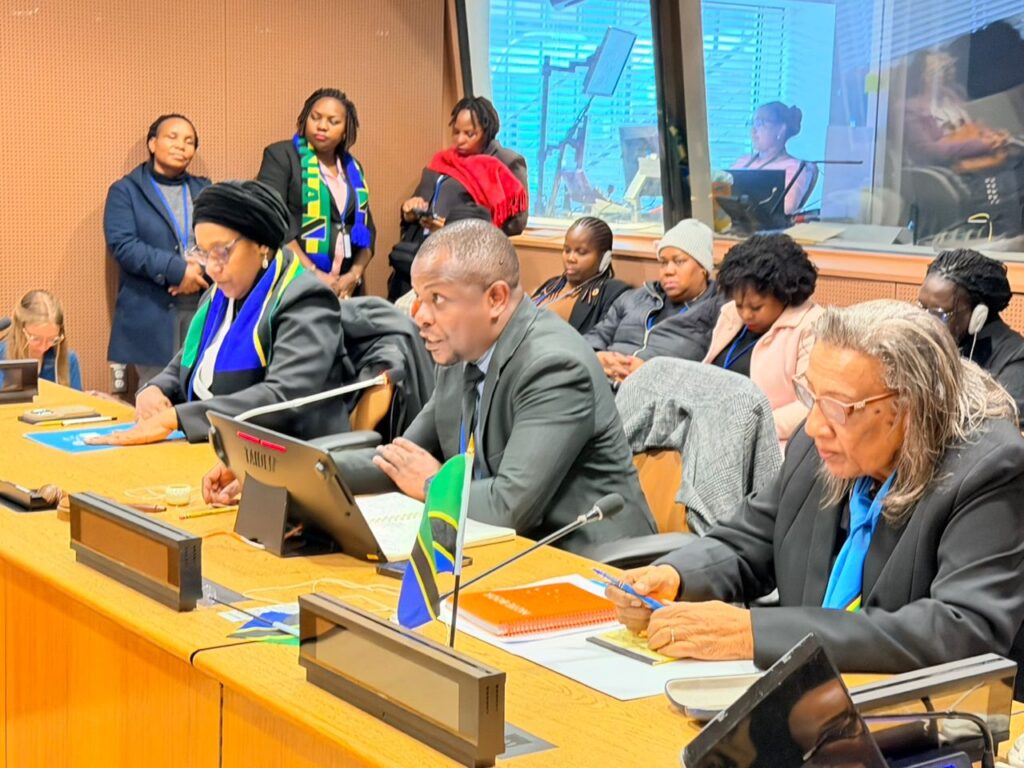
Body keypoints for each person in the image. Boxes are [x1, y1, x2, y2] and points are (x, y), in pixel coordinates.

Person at [606, 300, 1024, 681]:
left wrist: (754, 634)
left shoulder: (986, 467)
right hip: (805, 696)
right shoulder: (817, 447)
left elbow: (962, 629)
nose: (813, 426)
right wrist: (675, 575)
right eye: (811, 396)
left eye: (838, 407)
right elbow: (750, 540)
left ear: (908, 408)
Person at [206, 220, 655, 553]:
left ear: (496, 298)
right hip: (496, 550)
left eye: (436, 299)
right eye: (418, 298)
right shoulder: (460, 351)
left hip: (589, 567)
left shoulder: (553, 366)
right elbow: (396, 460)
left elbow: (508, 507)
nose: (419, 316)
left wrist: (431, 483)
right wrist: (273, 475)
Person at [88, 181, 347, 446]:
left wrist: (176, 418)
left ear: (262, 244)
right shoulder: (218, 296)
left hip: (285, 454)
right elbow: (188, 359)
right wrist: (154, 388)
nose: (211, 268)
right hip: (221, 446)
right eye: (203, 253)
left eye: (222, 252)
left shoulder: (304, 299)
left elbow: (284, 397)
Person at [104, 114, 211, 386]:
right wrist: (177, 271)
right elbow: (124, 246)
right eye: (172, 137)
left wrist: (199, 270)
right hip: (152, 311)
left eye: (189, 141)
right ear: (152, 143)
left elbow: (225, 240)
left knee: (201, 391)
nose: (181, 145)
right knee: (156, 394)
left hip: (203, 305)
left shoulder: (206, 190)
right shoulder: (126, 191)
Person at [389, 96, 528, 300]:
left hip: (460, 263)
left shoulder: (504, 162)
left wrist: (457, 229)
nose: (460, 140)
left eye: (469, 134)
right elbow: (419, 201)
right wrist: (409, 210)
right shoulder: (444, 160)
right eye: (456, 132)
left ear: (487, 132)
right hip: (417, 256)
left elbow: (515, 223)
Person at [258, 88, 375, 299]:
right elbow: (272, 216)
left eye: (333, 121)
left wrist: (354, 275)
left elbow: (368, 229)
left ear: (345, 130)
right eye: (316, 117)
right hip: (294, 284)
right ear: (305, 119)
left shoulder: (353, 169)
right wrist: (312, 272)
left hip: (345, 290)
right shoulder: (282, 156)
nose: (322, 126)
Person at [703, 234, 822, 443]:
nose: (746, 314)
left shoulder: (812, 326)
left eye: (756, 307)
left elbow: (812, 404)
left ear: (785, 294)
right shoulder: (730, 314)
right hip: (713, 427)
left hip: (767, 440)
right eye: (739, 305)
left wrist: (750, 428)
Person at [584, 218, 722, 384]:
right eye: (663, 262)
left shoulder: (717, 311)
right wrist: (597, 358)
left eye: (679, 262)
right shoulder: (633, 298)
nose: (668, 271)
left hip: (658, 392)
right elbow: (591, 340)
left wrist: (651, 374)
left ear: (703, 267)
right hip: (600, 383)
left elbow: (714, 377)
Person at [918, 248, 1024, 423]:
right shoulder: (928, 346)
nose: (924, 321)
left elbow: (999, 428)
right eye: (921, 308)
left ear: (978, 316)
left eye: (938, 314)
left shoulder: (1016, 360)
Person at [531, 217, 629, 334]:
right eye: (567, 250)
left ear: (605, 258)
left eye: (581, 252)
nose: (570, 258)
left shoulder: (612, 293)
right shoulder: (553, 284)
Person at [731, 102, 815, 215]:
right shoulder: (742, 162)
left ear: (780, 129)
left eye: (760, 123)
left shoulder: (794, 167)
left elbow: (786, 208)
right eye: (752, 123)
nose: (753, 130)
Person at [0, 290, 81, 389]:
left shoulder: (69, 360)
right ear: (20, 330)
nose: (43, 347)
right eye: (36, 339)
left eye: (52, 339)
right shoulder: (2, 355)